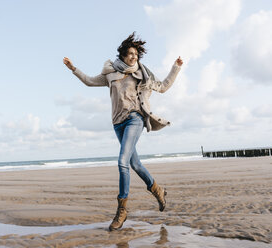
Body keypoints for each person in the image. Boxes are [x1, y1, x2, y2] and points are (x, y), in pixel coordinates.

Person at [63, 32, 183, 231]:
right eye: (130, 53)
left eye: (136, 54)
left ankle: (122, 210)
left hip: (134, 119)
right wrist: (73, 69)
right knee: (134, 163)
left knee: (122, 162)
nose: (133, 56)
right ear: (122, 55)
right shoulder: (110, 73)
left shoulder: (141, 74)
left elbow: (163, 87)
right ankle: (158, 189)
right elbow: (90, 81)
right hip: (117, 123)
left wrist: (176, 67)